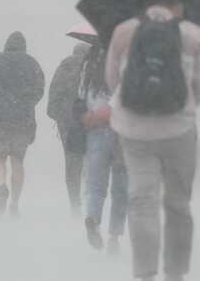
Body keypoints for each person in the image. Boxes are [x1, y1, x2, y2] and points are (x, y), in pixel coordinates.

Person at [105, 0, 200, 281]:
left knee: (141, 201)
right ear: (176, 4)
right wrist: (180, 105)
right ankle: (175, 273)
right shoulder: (194, 34)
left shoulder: (123, 31)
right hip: (178, 129)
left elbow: (113, 82)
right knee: (178, 203)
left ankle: (144, 274)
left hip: (134, 130)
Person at [0, 31, 45, 217]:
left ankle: (2, 187)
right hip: (23, 118)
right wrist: (26, 102)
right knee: (18, 161)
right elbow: (40, 90)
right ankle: (14, 203)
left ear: (6, 45)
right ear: (24, 46)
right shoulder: (32, 64)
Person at [79, 45, 128, 255]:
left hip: (96, 131)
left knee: (96, 183)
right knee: (121, 188)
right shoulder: (129, 59)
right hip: (124, 133)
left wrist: (89, 117)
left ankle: (93, 217)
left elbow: (80, 99)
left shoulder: (90, 65)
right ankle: (114, 237)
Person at [47, 42, 90, 216]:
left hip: (67, 123)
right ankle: (89, 197)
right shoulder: (92, 69)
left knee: (71, 161)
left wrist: (58, 117)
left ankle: (75, 203)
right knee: (88, 158)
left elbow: (54, 94)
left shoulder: (63, 67)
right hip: (88, 120)